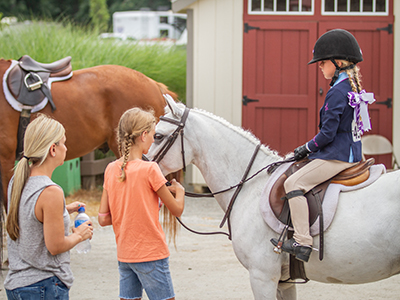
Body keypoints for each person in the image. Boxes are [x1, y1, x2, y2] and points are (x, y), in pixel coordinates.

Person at [271, 29, 375, 263]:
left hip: (337, 156)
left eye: (322, 63)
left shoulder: (337, 92)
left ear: (337, 62)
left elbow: (327, 135)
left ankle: (302, 241)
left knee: (292, 182)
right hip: (353, 152)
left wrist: (305, 148)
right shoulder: (350, 85)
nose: (319, 67)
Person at [98, 107, 185, 300]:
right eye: (153, 135)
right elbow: (177, 209)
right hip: (151, 254)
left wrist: (128, 211)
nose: (153, 140)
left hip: (125, 255)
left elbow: (103, 219)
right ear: (144, 135)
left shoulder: (111, 169)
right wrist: (180, 191)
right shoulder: (151, 169)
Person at [4, 114, 93, 299]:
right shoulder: (51, 191)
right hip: (43, 286)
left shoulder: (17, 180)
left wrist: (64, 209)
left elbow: (30, 214)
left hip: (17, 285)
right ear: (53, 149)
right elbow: (56, 246)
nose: (66, 148)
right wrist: (79, 235)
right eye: (64, 142)